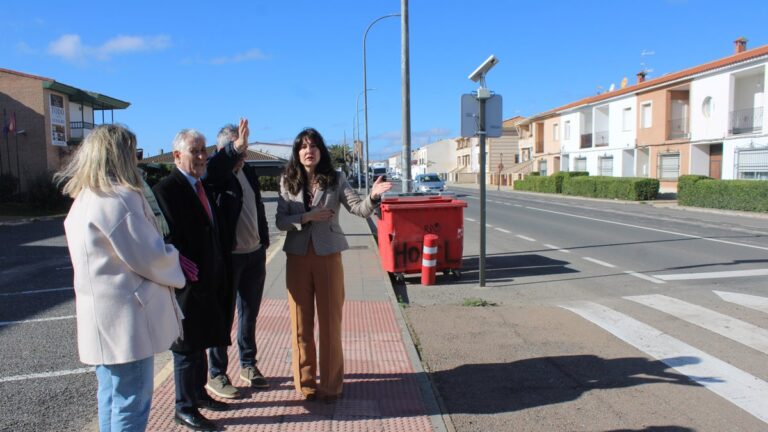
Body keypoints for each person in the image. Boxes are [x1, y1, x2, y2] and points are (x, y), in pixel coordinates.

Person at [56, 124, 190, 432]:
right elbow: (149, 256)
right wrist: (174, 258)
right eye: (132, 151)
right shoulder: (119, 199)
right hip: (126, 323)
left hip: (100, 320)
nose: (137, 158)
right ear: (119, 155)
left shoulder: (84, 199)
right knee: (132, 401)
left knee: (111, 397)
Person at [275, 127, 391, 402]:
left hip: (328, 256)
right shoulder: (287, 180)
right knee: (301, 325)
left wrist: (373, 197)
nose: (308, 150)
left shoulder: (336, 178)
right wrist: (307, 217)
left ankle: (330, 385)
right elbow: (280, 221)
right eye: (303, 146)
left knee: (330, 323)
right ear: (297, 152)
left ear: (320, 150)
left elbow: (358, 209)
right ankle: (305, 384)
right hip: (297, 258)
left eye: (313, 145)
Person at [152, 129, 232, 431]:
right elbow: (165, 235)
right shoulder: (166, 189)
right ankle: (184, 407)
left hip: (208, 278)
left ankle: (199, 395)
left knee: (201, 340)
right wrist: (179, 262)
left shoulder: (202, 184)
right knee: (186, 346)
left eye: (203, 151)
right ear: (176, 156)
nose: (201, 157)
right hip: (185, 281)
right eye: (194, 151)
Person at [204, 119, 271, 398]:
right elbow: (212, 170)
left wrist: (264, 241)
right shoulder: (215, 175)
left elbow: (256, 206)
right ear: (223, 150)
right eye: (236, 150)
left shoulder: (248, 171)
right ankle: (217, 373)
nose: (242, 155)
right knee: (222, 317)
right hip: (229, 259)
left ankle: (248, 364)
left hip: (254, 254)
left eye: (244, 150)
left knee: (249, 315)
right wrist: (233, 151)